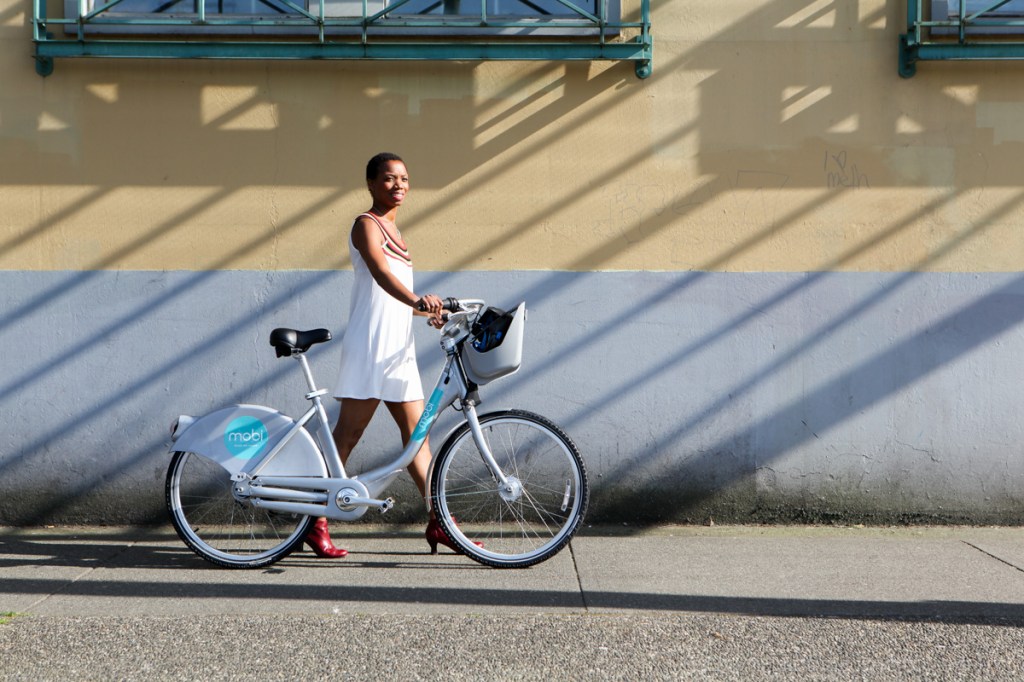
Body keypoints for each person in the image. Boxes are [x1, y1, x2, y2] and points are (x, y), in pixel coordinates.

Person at [303, 152, 456, 558]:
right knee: (347, 437)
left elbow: (397, 296)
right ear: (371, 184)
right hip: (371, 344)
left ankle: (440, 523)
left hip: (398, 349)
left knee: (417, 439)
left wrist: (427, 312)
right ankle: (313, 522)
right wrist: (416, 300)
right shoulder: (365, 225)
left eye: (404, 178)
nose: (399, 185)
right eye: (389, 179)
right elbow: (381, 274)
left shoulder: (398, 232)